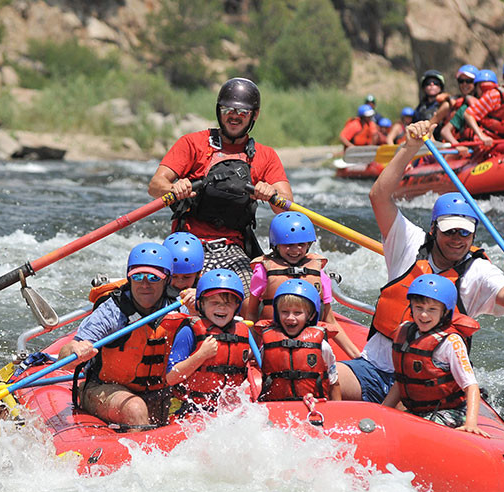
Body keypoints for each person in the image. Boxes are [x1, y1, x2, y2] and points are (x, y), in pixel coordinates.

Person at [337, 120, 504, 403]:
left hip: (428, 384)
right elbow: (379, 196)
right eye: (449, 230)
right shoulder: (408, 242)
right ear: (434, 230)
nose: (457, 238)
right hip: (374, 369)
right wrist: (410, 147)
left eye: (464, 232)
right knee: (321, 380)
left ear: (473, 233)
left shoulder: (478, 271)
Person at [147, 77, 293, 292]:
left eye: (242, 112)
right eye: (228, 110)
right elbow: (155, 186)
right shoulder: (192, 143)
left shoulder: (266, 156)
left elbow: (287, 204)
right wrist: (173, 188)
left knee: (247, 296)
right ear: (219, 111)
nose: (234, 116)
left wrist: (271, 193)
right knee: (178, 297)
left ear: (255, 115)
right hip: (187, 244)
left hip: (233, 248)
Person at [59, 242, 186, 426]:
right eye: (138, 276)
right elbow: (65, 359)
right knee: (135, 409)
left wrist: (199, 303)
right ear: (129, 277)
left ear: (167, 280)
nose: (144, 284)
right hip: (106, 389)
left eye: (153, 278)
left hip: (160, 390)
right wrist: (75, 350)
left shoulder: (180, 307)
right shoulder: (112, 311)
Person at [382, 274, 488, 436]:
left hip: (449, 411)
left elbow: (471, 386)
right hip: (416, 410)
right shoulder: (405, 331)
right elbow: (401, 381)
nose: (424, 315)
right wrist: (383, 410)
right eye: (419, 308)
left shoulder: (451, 342)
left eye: (432, 309)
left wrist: (470, 424)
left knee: (420, 431)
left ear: (445, 313)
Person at [244, 211, 361, 358]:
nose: (295, 250)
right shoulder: (263, 271)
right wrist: (252, 348)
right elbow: (252, 312)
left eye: (301, 244)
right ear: (276, 245)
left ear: (309, 245)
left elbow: (330, 320)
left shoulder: (320, 274)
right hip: (273, 341)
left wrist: (356, 355)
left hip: (309, 344)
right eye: (288, 244)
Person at [165, 269, 251, 412]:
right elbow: (171, 377)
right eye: (214, 302)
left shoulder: (242, 331)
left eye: (228, 303)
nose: (221, 307)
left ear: (237, 306)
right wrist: (201, 355)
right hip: (191, 408)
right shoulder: (189, 331)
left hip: (230, 410)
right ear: (201, 304)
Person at [258, 279, 341, 401]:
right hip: (277, 407)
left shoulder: (323, 347)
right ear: (277, 313)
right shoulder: (267, 345)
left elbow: (334, 383)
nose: (290, 318)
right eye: (285, 312)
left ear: (311, 315)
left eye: (297, 313)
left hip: (313, 407)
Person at [441, 69, 496, 149]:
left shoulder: (500, 108)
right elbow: (445, 131)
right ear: (476, 88)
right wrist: (458, 146)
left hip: (492, 148)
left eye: (488, 88)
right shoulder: (465, 108)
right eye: (481, 87)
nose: (485, 91)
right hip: (470, 151)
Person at [434, 64, 480, 151]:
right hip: (455, 147)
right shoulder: (452, 103)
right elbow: (435, 126)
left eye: (469, 81)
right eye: (461, 81)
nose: (464, 84)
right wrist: (458, 145)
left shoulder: (485, 102)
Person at [163, 231, 204, 312]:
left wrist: (202, 299)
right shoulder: (155, 290)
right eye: (174, 276)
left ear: (197, 274)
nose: (179, 283)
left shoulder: (205, 295)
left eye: (187, 277)